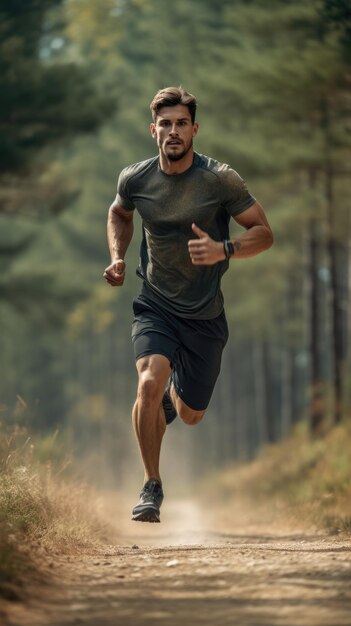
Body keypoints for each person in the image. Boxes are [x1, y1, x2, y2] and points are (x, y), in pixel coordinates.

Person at [103, 86, 273, 523]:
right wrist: (118, 257)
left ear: (194, 129)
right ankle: (152, 487)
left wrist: (225, 249)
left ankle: (169, 398)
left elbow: (264, 232)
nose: (173, 131)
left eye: (181, 123)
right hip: (155, 303)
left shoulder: (220, 179)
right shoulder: (136, 179)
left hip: (205, 315)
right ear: (153, 130)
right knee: (147, 381)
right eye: (165, 124)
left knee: (191, 415)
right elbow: (119, 213)